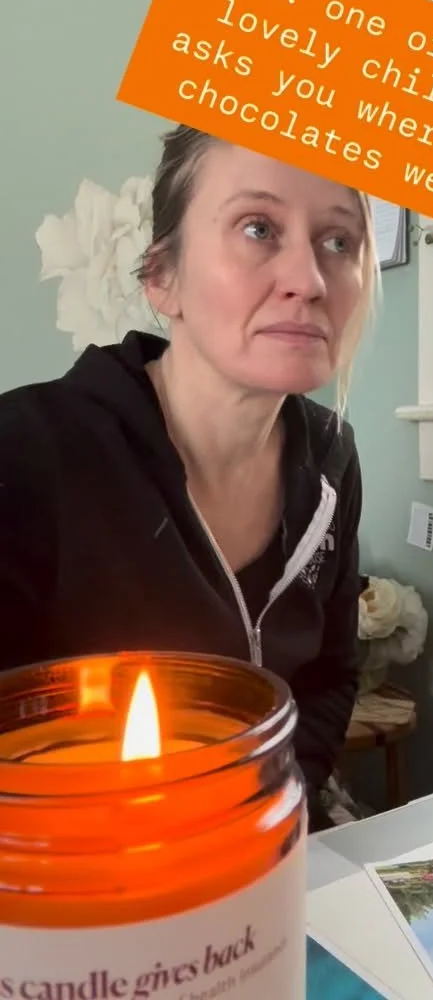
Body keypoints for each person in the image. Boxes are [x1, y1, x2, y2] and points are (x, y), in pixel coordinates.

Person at [0, 125, 378, 829]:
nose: (310, 281)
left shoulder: (334, 459)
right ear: (162, 278)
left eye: (338, 241)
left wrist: (274, 809)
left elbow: (330, 675)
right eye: (259, 228)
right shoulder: (25, 452)